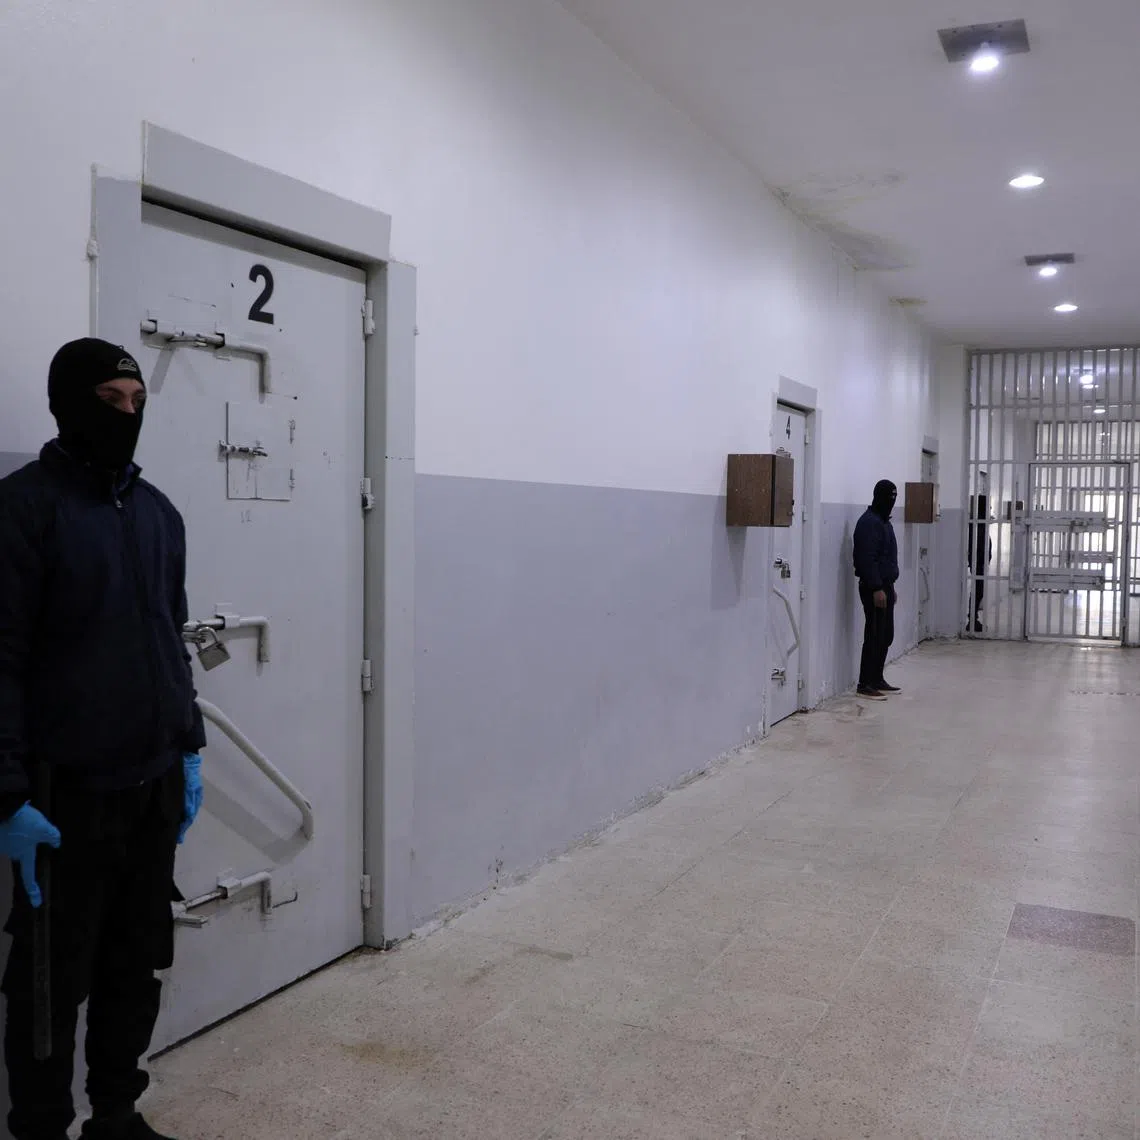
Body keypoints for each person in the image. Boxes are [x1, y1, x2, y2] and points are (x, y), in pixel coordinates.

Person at [0, 339, 205, 1140]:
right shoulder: (24, 511)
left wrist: (186, 742)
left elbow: (170, 635)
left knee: (137, 960)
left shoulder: (160, 516)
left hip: (152, 785)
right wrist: (9, 792)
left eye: (137, 401)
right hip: (64, 798)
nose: (128, 415)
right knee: (50, 981)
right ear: (70, 404)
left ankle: (116, 1114)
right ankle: (42, 1128)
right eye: (112, 401)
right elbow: (3, 657)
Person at [853, 479, 900, 700]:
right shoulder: (869, 523)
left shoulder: (884, 522)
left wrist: (891, 587)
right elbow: (867, 559)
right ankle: (865, 682)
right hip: (874, 588)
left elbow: (887, 558)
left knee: (885, 635)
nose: (891, 502)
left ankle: (877, 677)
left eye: (894, 497)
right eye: (889, 497)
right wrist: (877, 588)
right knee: (874, 634)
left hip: (886, 587)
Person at [967, 476, 992, 633]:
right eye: (988, 508)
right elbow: (977, 545)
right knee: (977, 591)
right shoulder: (976, 526)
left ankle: (973, 619)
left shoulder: (978, 524)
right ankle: (972, 621)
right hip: (978, 562)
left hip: (979, 561)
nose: (990, 510)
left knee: (978, 591)